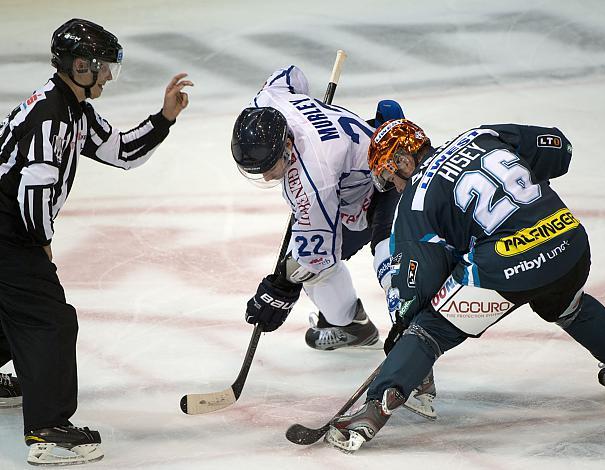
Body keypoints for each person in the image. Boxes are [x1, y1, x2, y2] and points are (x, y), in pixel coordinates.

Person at [325, 119, 605, 453]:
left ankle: (373, 410)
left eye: (388, 176)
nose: (394, 186)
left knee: (429, 330)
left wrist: (404, 323)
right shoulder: (483, 135)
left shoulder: (415, 196)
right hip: (569, 241)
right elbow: (557, 148)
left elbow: (418, 281)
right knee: (566, 304)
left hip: (507, 262)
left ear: (404, 160)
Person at [0, 18, 192, 466]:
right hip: (8, 233)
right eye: (103, 67)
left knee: (14, 307)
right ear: (80, 65)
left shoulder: (72, 107)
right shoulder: (52, 115)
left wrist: (164, 118)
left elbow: (122, 151)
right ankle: (48, 430)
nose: (108, 76)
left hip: (9, 230)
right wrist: (40, 243)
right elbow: (33, 188)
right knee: (50, 320)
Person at [230, 66, 436, 418]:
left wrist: (280, 287)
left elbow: (315, 258)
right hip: (350, 190)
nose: (266, 176)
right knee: (307, 264)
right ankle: (352, 326)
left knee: (389, 262)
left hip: (387, 179)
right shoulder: (269, 99)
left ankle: (417, 365)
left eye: (270, 166)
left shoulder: (314, 180)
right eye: (256, 170)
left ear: (288, 145)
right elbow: (290, 74)